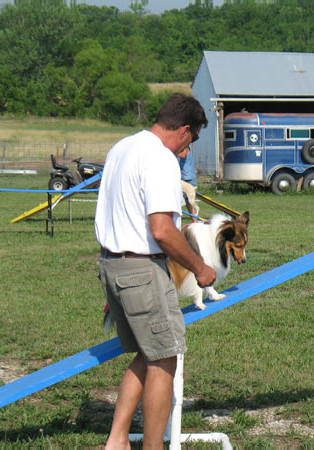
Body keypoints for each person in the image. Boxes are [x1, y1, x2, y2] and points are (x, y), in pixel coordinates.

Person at [95, 93, 216, 450]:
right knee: (165, 357)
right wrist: (199, 268)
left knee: (148, 354)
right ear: (182, 131)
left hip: (111, 264)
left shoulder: (122, 147)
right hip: (141, 269)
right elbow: (162, 229)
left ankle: (117, 439)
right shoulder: (162, 159)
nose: (188, 151)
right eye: (191, 141)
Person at [177, 144, 199, 222]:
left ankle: (195, 221)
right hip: (183, 177)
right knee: (186, 202)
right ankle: (194, 221)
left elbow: (182, 155)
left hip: (188, 178)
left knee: (189, 203)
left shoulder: (185, 146)